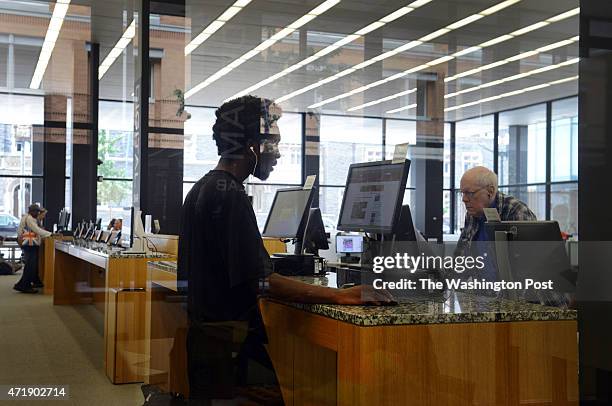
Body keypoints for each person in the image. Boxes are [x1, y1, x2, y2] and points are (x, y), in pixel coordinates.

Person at [178, 96, 391, 403]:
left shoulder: (202, 188)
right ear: (252, 145)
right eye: (273, 143)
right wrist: (339, 294)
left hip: (208, 346)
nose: (277, 153)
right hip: (232, 354)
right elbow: (262, 281)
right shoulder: (230, 196)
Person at [456, 166, 536, 281]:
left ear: (490, 191)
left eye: (469, 193)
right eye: (462, 193)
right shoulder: (472, 215)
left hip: (517, 294)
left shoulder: (515, 211)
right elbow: (460, 260)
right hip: (486, 293)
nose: (464, 199)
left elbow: (528, 268)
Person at [14, 204, 52, 293]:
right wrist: (50, 234)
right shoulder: (29, 219)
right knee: (30, 265)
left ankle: (35, 281)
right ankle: (23, 285)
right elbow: (36, 230)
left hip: (30, 243)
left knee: (33, 264)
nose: (38, 213)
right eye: (36, 211)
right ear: (31, 211)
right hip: (29, 243)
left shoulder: (30, 218)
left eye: (38, 211)